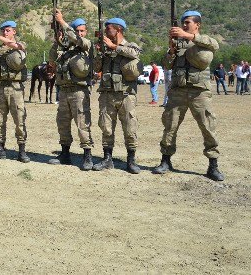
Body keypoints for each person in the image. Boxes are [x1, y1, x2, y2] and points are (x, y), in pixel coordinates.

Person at [153, 10, 224, 181]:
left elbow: (215, 45)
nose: (184, 26)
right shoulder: (178, 42)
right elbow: (167, 65)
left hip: (199, 91)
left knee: (207, 126)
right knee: (170, 125)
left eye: (188, 23)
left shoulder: (205, 41)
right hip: (178, 90)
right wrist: (170, 51)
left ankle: (213, 165)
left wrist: (188, 36)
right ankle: (165, 160)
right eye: (183, 23)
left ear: (197, 25)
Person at [92, 17, 142, 174]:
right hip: (107, 93)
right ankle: (107, 159)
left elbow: (135, 54)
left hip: (126, 94)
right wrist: (100, 52)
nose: (106, 32)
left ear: (118, 29)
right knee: (106, 127)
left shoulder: (130, 45)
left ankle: (131, 160)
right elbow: (96, 67)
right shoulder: (104, 48)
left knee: (130, 127)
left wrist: (114, 47)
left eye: (108, 29)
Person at [47, 12, 94, 170]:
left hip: (79, 91)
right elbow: (52, 60)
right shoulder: (65, 48)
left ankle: (87, 155)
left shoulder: (86, 45)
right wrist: (57, 41)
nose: (80, 33)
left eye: (83, 30)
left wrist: (62, 22)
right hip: (64, 90)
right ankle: (65, 153)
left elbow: (78, 40)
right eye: (78, 30)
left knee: (82, 123)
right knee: (63, 123)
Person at [0, 20, 30, 163]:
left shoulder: (21, 45)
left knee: (19, 119)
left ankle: (22, 150)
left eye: (8, 30)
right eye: (3, 30)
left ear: (14, 32)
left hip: (15, 88)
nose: (5, 32)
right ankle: (0, 149)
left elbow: (16, 46)